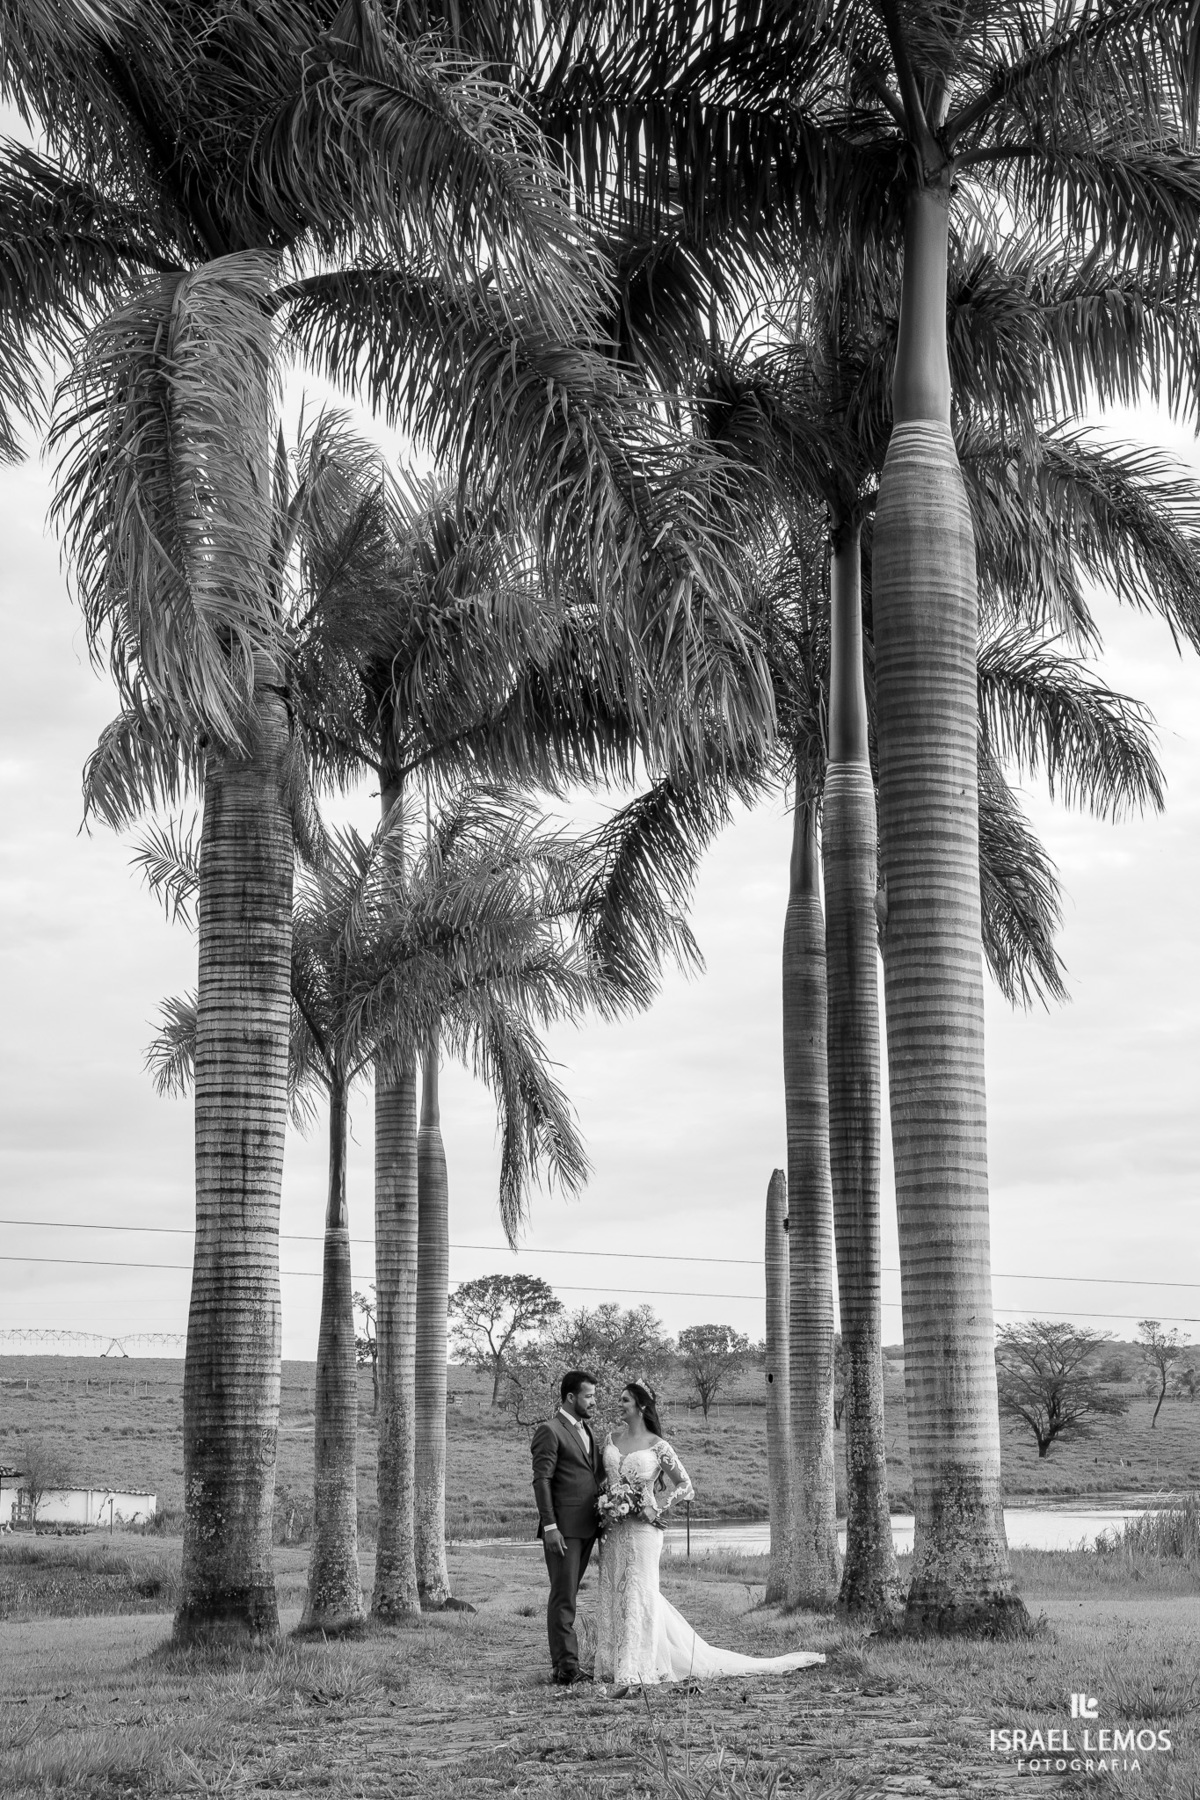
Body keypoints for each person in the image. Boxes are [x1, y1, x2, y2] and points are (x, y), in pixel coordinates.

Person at [596, 1380, 826, 1693]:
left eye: (625, 1400)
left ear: (641, 1406)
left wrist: (656, 1507)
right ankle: (611, 1661)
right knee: (614, 1587)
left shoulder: (658, 1446)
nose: (619, 1404)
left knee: (639, 1590)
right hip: (613, 1528)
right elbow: (601, 1479)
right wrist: (605, 1503)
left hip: (643, 1530)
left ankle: (637, 1664)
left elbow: (685, 1485)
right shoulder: (610, 1439)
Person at [530, 1368, 602, 1685]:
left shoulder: (587, 1430)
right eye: (589, 1396)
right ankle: (566, 1668)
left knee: (570, 1593)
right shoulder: (550, 1430)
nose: (594, 1402)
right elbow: (542, 1480)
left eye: (594, 1396)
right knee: (563, 1597)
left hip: (588, 1527)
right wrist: (550, 1526)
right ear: (571, 1397)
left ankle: (567, 1664)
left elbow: (591, 1475)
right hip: (562, 1530)